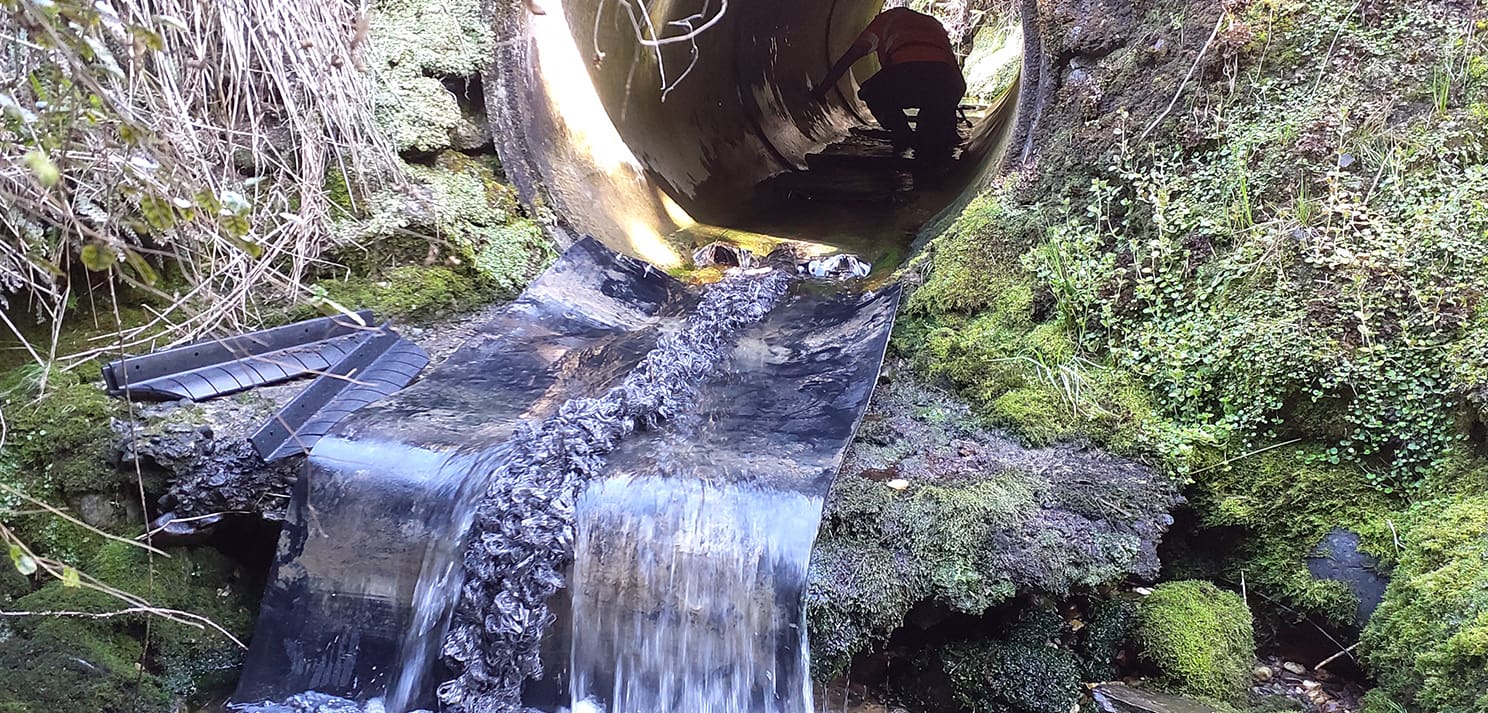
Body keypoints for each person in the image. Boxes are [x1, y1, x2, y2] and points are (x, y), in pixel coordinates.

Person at [812, 7, 967, 161]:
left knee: (870, 91)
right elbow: (955, 78)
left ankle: (902, 134)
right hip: (946, 80)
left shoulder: (883, 21)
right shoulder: (933, 23)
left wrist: (822, 90)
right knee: (933, 132)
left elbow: (849, 58)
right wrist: (949, 109)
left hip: (906, 76)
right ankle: (940, 134)